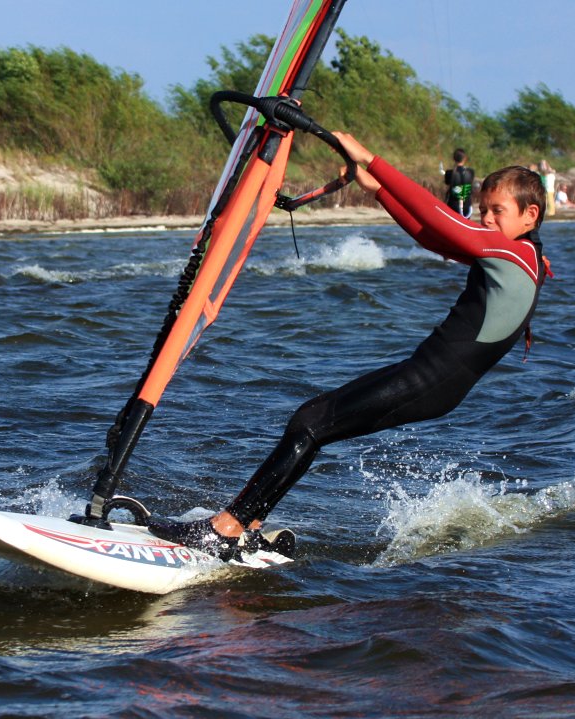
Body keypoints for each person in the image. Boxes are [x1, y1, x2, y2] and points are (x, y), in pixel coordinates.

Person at [148, 132, 550, 561]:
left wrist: (371, 160)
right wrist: (377, 189)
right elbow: (432, 237)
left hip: (431, 381)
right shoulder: (516, 253)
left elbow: (447, 224)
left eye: (497, 211)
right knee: (311, 422)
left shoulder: (515, 255)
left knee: (310, 423)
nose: (485, 218)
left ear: (530, 215)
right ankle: (247, 523)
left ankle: (226, 530)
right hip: (429, 378)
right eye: (482, 210)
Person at [444, 148, 475, 218]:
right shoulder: (471, 172)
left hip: (453, 205)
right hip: (467, 205)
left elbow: (447, 183)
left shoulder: (449, 173)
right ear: (465, 158)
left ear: (453, 158)